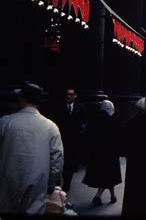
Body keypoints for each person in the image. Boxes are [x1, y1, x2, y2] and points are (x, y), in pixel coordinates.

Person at [0, 82, 64, 214]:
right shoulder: (51, 127)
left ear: (21, 99)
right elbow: (57, 162)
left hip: (6, 181)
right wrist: (50, 184)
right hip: (37, 184)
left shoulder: (5, 122)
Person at [82, 100, 122, 205]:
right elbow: (119, 137)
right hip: (111, 153)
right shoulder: (114, 121)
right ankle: (99, 196)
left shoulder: (95, 120)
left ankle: (112, 195)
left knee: (106, 175)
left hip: (98, 152)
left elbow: (89, 135)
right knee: (108, 175)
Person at [51, 88, 87, 193]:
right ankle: (57, 190)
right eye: (67, 94)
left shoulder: (80, 108)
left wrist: (81, 132)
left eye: (71, 94)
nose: (68, 96)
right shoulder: (59, 107)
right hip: (61, 142)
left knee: (69, 168)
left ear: (75, 96)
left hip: (73, 143)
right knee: (58, 166)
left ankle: (66, 190)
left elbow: (84, 122)